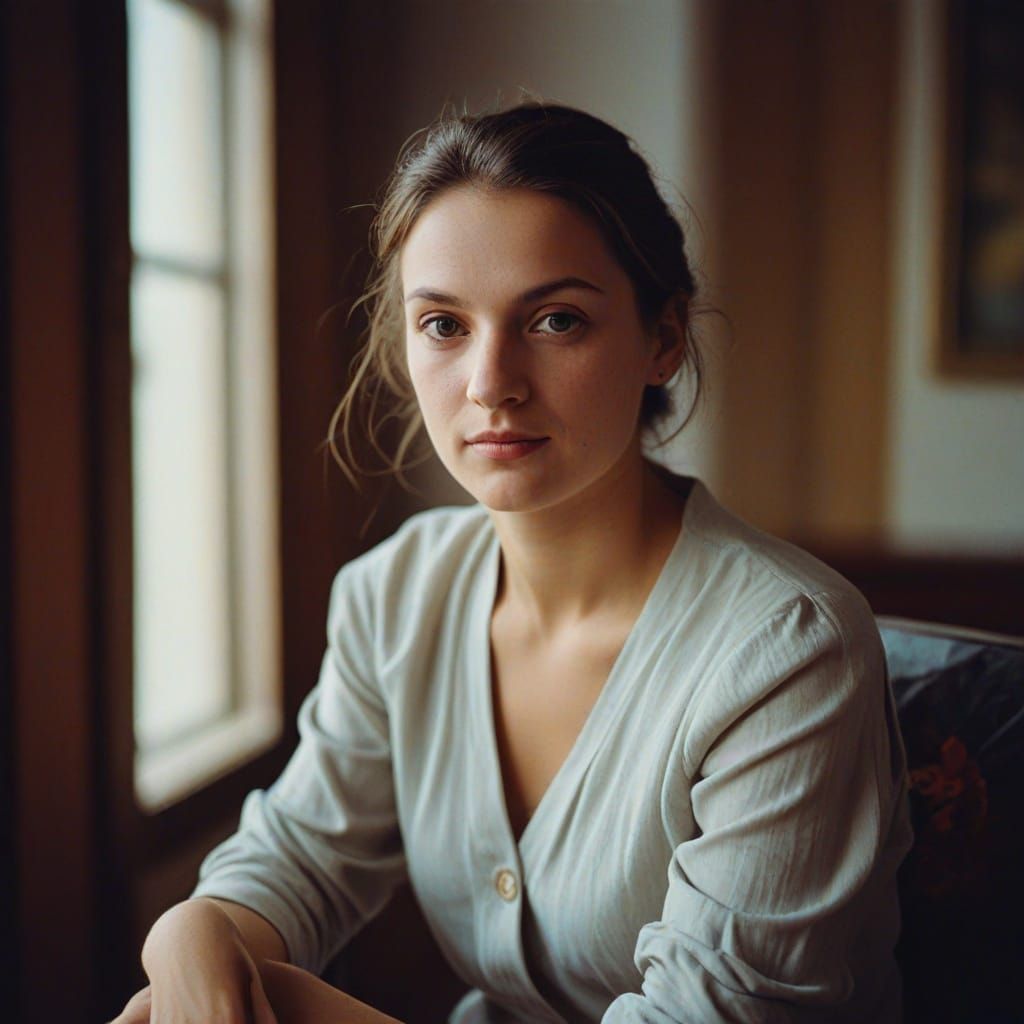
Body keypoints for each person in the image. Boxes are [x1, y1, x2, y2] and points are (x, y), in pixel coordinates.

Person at [112, 101, 914, 1024]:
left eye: (556, 320)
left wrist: (292, 1005)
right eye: (445, 326)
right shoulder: (394, 596)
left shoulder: (788, 654)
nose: (490, 382)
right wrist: (193, 933)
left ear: (663, 338)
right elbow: (299, 856)